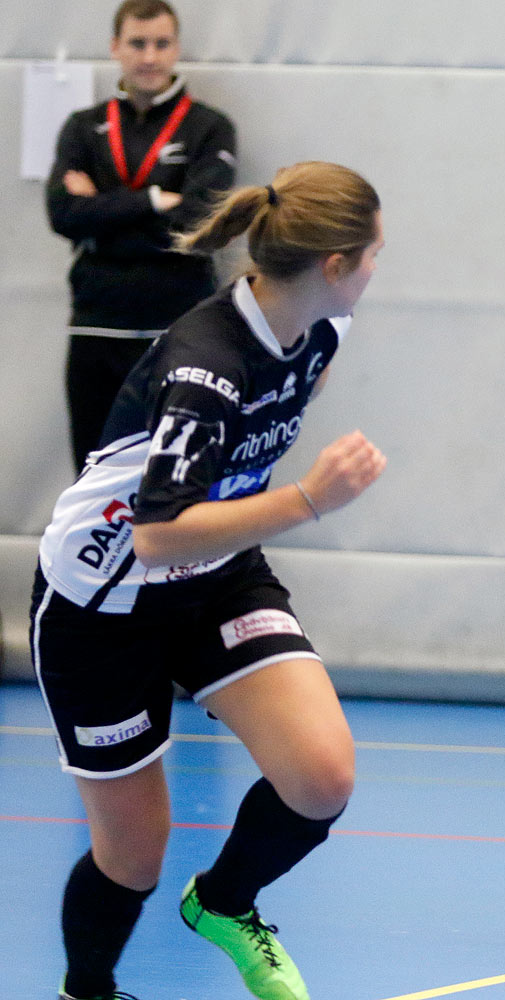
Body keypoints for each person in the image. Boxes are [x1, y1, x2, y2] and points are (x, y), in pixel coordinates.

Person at [30, 161, 386, 1000]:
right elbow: (152, 536)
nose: (379, 268)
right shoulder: (205, 370)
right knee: (134, 852)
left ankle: (224, 902)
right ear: (334, 264)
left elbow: (277, 415)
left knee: (321, 775)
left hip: (216, 575)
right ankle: (87, 991)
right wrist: (307, 499)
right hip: (102, 604)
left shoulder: (318, 332)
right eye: (374, 253)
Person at [46, 0, 237, 472]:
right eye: (137, 43)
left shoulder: (209, 127)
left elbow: (196, 222)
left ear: (176, 48)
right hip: (96, 326)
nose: (149, 56)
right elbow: (63, 213)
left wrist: (102, 214)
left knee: (176, 478)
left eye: (161, 43)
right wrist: (154, 201)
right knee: (93, 477)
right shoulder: (83, 127)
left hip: (178, 330)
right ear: (115, 48)